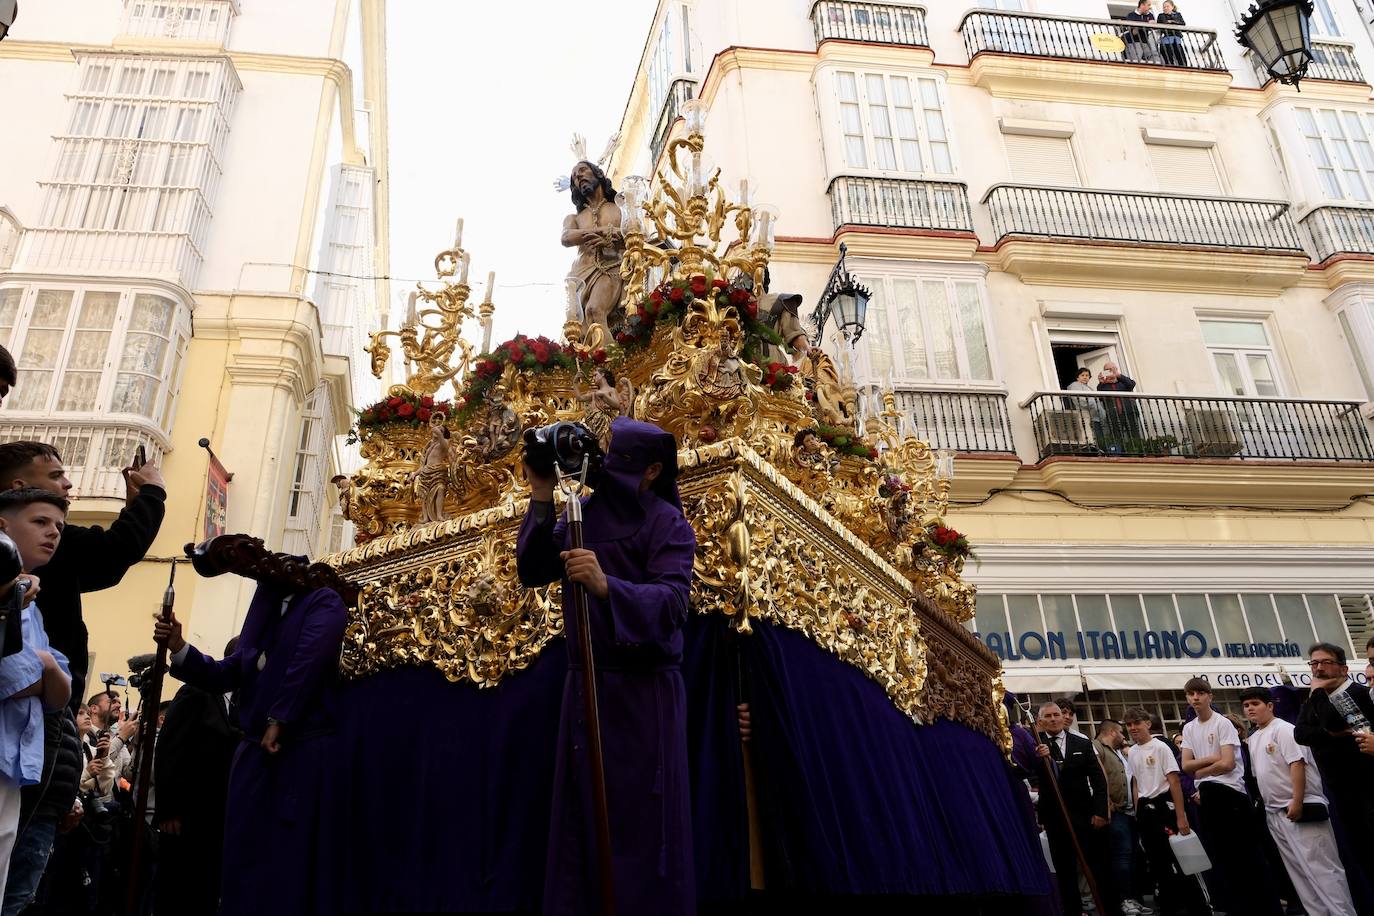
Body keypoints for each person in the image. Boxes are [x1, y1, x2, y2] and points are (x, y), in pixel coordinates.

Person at [517, 416, 696, 916]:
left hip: (643, 701)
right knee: (583, 827)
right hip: (587, 691)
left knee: (640, 825)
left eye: (621, 458)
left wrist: (606, 586)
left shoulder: (668, 523)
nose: (606, 464)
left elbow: (673, 603)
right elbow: (532, 569)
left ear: (652, 469)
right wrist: (539, 495)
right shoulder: (584, 512)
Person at [155, 578, 348, 916]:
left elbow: (306, 664)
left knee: (284, 866)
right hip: (252, 766)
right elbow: (226, 670)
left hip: (295, 757)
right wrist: (178, 644)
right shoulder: (265, 617)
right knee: (242, 867)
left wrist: (279, 718)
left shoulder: (323, 603)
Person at [0, 441, 166, 706]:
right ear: (19, 487)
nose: (68, 484)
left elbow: (105, 568)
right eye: (55, 476)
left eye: (57, 524)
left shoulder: (42, 566)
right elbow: (116, 551)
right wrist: (153, 493)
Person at [0, 489, 72, 902]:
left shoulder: (34, 606)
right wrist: (44, 665)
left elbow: (60, 694)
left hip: (13, 769)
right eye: (41, 522)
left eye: (59, 527)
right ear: (3, 526)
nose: (53, 533)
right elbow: (8, 677)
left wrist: (45, 666)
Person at [1241, 686, 1358, 916]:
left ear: (1270, 706)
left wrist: (1296, 800)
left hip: (1300, 806)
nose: (1250, 709)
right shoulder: (1254, 738)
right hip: (1275, 812)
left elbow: (1297, 763)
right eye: (1246, 705)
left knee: (1323, 870)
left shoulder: (1285, 730)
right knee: (1300, 874)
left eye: (1255, 703)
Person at [154, 636, 242, 916]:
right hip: (185, 817)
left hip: (218, 823)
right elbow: (170, 748)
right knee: (178, 894)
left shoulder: (245, 706)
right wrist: (169, 810)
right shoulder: (197, 692)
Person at [1180, 677, 1282, 915]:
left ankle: (1268, 908)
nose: (1196, 698)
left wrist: (1201, 770)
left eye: (1200, 693)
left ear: (1209, 696)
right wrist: (1210, 761)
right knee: (1222, 860)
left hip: (1231, 795)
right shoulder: (1189, 728)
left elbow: (1227, 764)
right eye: (1191, 694)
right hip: (1208, 796)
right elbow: (1185, 766)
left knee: (1248, 858)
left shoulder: (1222, 723)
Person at [1295, 642, 1374, 890]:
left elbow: (1333, 721)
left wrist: (1317, 693)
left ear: (1344, 669)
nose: (1318, 669)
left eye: (1325, 662)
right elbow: (1300, 733)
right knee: (1363, 858)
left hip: (1365, 788)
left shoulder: (1357, 694)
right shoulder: (1315, 698)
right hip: (1339, 791)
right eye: (1314, 663)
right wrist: (1331, 734)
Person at [1032, 701, 1118, 916]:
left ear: (1063, 718)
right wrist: (1037, 759)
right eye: (1048, 716)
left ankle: (1111, 910)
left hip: (1085, 817)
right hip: (1055, 819)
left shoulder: (1080, 743)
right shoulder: (1036, 744)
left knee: (1100, 868)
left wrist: (1100, 812)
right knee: (1065, 873)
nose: (1053, 719)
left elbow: (1098, 779)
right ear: (1040, 721)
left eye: (1056, 715)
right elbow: (1030, 776)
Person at [1124, 708, 1209, 916]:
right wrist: (1138, 811)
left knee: (1183, 859)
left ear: (1147, 724)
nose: (1133, 728)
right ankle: (1169, 906)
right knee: (1157, 863)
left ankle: (1200, 907)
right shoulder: (1133, 751)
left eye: (1137, 723)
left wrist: (1181, 816)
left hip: (1165, 806)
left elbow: (1174, 782)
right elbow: (1136, 782)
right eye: (1129, 725)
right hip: (1146, 809)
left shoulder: (1160, 747)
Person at [562, 160, 624, 344]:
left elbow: (635, 234)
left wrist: (612, 235)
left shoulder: (619, 207)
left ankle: (611, 366)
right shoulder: (574, 218)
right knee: (578, 332)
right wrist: (600, 231)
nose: (578, 176)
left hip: (610, 267)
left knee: (595, 310)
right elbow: (566, 237)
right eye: (574, 177)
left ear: (598, 174)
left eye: (582, 170)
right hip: (580, 276)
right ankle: (591, 367)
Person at [1094, 720, 1152, 915]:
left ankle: (1134, 898)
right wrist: (1106, 802)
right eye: (1121, 732)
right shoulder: (1098, 747)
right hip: (1115, 811)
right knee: (1122, 855)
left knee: (1133, 856)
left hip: (1129, 812)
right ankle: (1125, 899)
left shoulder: (1119, 752)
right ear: (1111, 732)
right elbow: (1096, 777)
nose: (1124, 735)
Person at [1097, 363, 1140, 454]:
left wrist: (1118, 375)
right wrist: (1101, 382)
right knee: (1117, 437)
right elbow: (1100, 397)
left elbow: (1132, 384)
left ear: (1116, 369)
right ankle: (1122, 455)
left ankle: (1138, 454)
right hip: (1114, 415)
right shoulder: (1103, 386)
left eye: (1112, 369)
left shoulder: (1123, 382)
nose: (1110, 371)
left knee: (1134, 435)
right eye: (1107, 370)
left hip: (1129, 413)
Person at [1156, 1, 1187, 67]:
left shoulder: (1178, 14)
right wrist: (1174, 22)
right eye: (1164, 7)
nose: (1165, 8)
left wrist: (1171, 21)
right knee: (1169, 58)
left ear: (1172, 7)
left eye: (1167, 6)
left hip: (1176, 39)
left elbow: (1182, 23)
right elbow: (1164, 23)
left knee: (1181, 58)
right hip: (1166, 40)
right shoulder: (1161, 15)